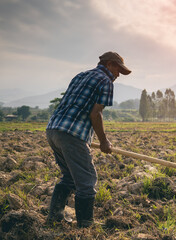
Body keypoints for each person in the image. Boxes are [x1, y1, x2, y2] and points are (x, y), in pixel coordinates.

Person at [46, 51, 131, 227]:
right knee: (86, 182)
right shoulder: (106, 81)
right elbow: (96, 113)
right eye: (117, 70)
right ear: (109, 65)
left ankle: (54, 218)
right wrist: (104, 141)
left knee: (69, 177)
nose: (117, 75)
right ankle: (85, 227)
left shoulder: (81, 75)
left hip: (53, 130)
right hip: (72, 134)